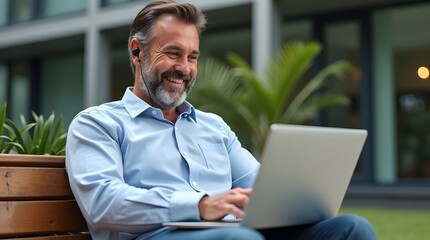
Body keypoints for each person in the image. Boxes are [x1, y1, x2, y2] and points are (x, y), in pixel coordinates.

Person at [65, 1, 377, 239]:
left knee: (352, 228)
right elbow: (103, 202)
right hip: (156, 234)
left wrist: (298, 195)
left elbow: (257, 187)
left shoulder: (214, 127)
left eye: (192, 57)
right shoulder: (97, 124)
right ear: (137, 52)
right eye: (173, 54)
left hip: (235, 233)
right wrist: (199, 205)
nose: (185, 69)